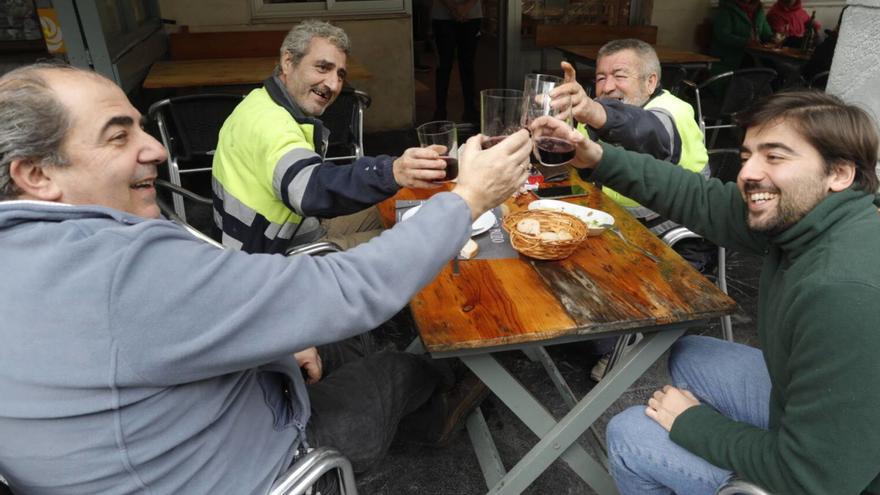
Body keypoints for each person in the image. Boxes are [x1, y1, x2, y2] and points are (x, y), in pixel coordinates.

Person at [0, 62, 532, 494]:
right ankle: (438, 401)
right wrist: (469, 197)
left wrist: (266, 342)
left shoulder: (30, 256)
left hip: (169, 416)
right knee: (397, 366)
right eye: (118, 136)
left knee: (333, 341)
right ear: (38, 174)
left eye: (341, 74)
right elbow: (322, 216)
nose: (156, 150)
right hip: (267, 465)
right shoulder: (121, 270)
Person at [532, 90, 880, 494]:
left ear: (839, 173)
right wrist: (595, 157)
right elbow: (701, 198)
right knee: (690, 352)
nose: (748, 173)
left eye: (775, 156)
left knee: (631, 434)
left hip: (845, 479)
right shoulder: (814, 217)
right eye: (748, 156)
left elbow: (815, 478)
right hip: (822, 420)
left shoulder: (844, 292)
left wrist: (694, 425)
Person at [212, 20, 451, 254]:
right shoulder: (272, 124)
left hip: (281, 228)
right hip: (275, 256)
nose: (334, 84)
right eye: (322, 68)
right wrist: (393, 171)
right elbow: (309, 189)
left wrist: (392, 175)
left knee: (396, 211)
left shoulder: (258, 100)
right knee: (413, 242)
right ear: (288, 62)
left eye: (340, 74)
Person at [431, 0, 482, 123]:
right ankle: (440, 111)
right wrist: (455, 8)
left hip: (471, 14)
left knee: (467, 65)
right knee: (444, 65)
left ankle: (470, 110)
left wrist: (465, 7)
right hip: (443, 15)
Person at [710, 0, 774, 75]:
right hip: (732, 57)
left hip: (755, 54)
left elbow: (766, 33)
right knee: (764, 69)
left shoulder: (758, 10)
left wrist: (773, 39)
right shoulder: (727, 9)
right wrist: (745, 42)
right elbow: (722, 35)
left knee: (775, 66)